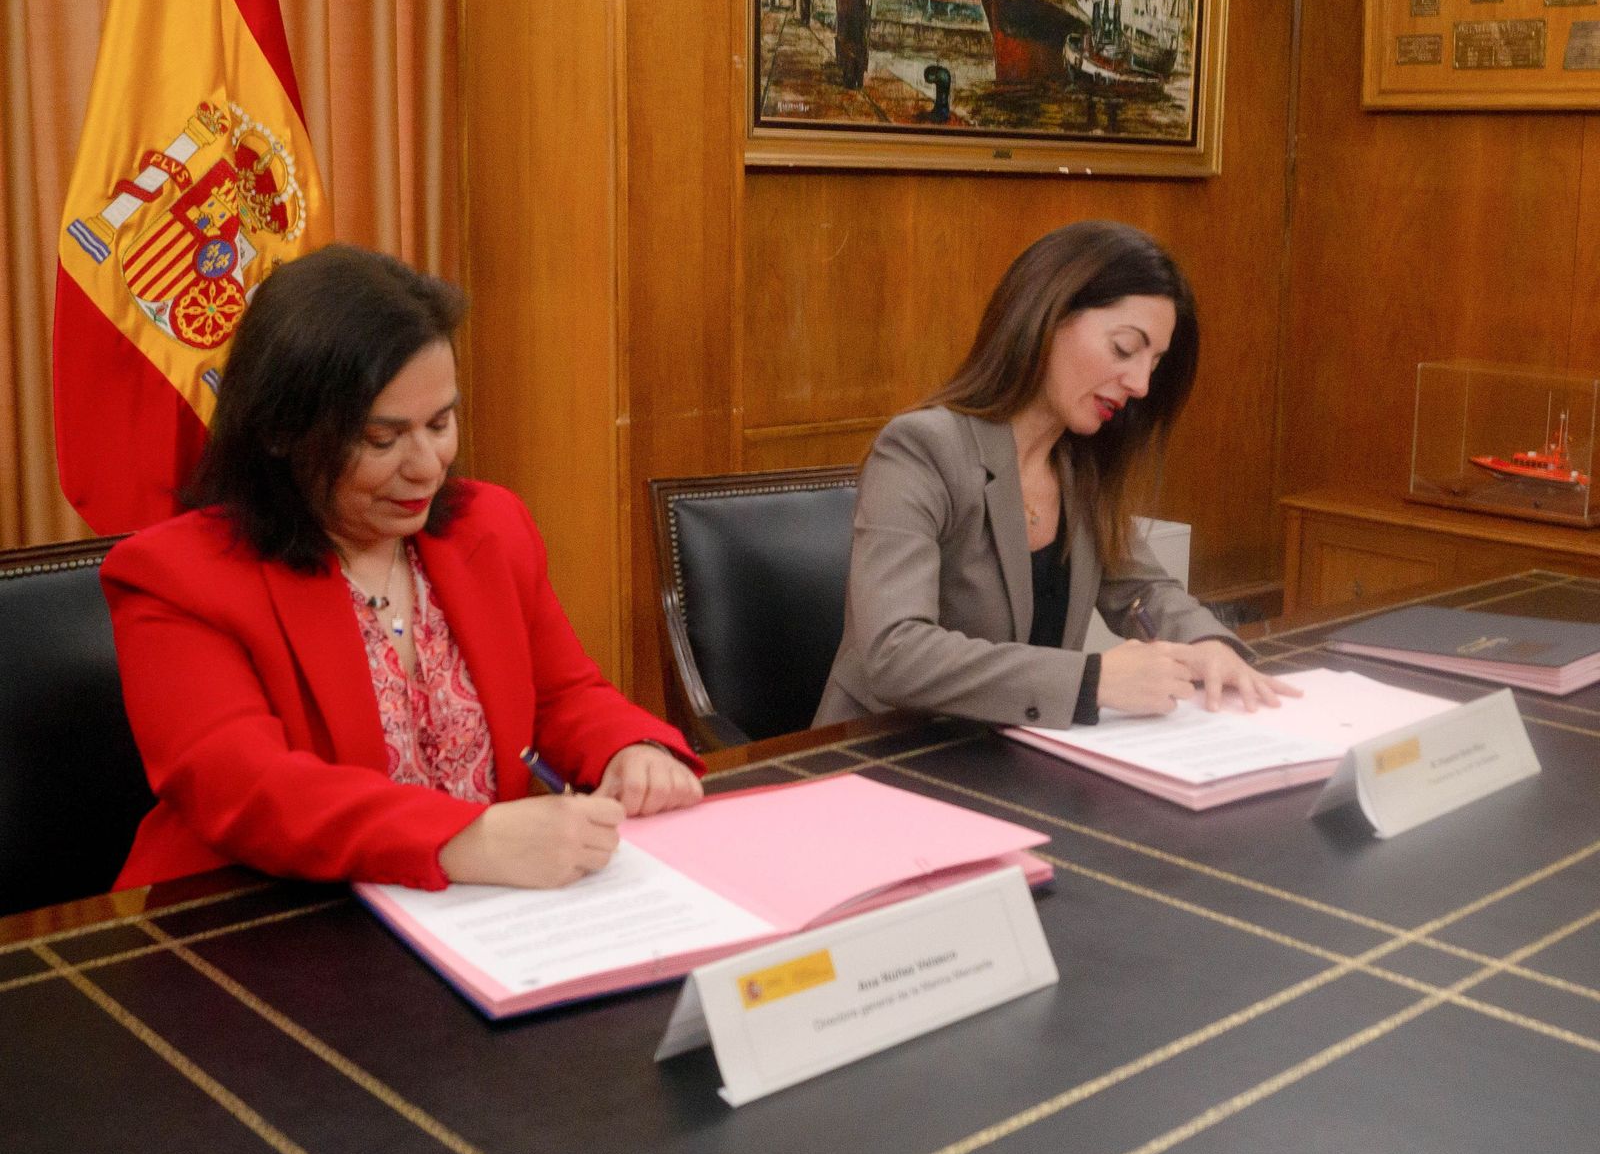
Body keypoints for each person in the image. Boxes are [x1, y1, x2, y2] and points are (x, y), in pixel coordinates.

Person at [103, 245, 703, 894]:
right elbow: (248, 789)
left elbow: (561, 695)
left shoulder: (491, 526)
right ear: (281, 432)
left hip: (469, 912)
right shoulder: (175, 576)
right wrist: (460, 838)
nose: (427, 465)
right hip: (261, 919)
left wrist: (630, 750)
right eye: (383, 440)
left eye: (441, 422)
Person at [814, 220, 1295, 729]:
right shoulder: (921, 449)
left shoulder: (1080, 463)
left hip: (1014, 754)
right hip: (885, 758)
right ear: (1048, 316)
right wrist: (1092, 680)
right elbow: (894, 653)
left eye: (1154, 363)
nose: (1139, 384)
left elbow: (1145, 592)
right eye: (1125, 349)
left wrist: (1208, 645)